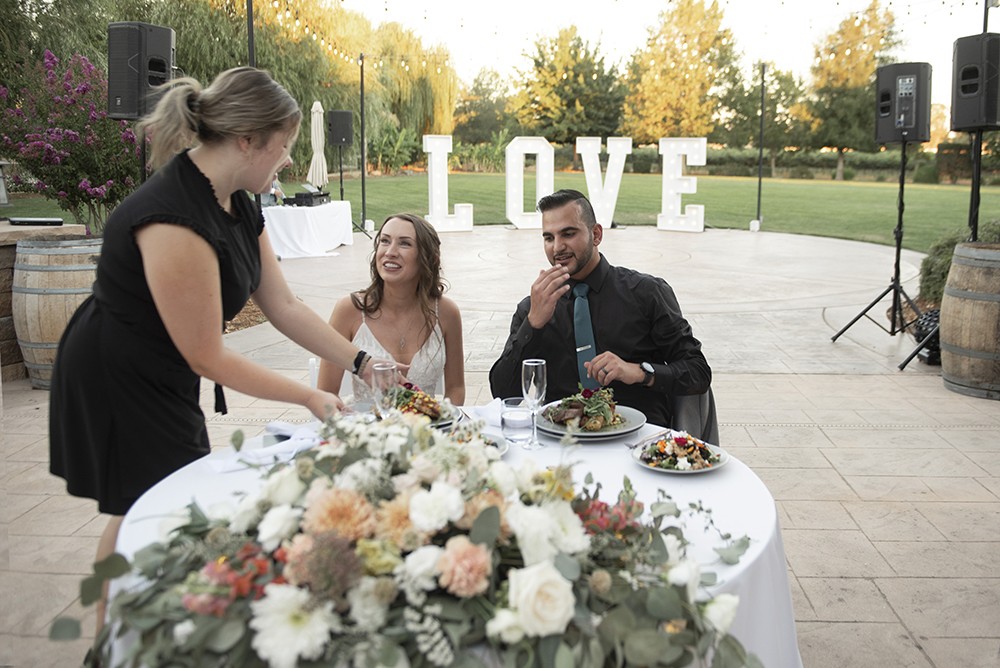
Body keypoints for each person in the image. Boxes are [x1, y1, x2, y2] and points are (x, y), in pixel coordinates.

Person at [48, 66, 394, 631]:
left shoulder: (239, 200)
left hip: (162, 366)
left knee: (153, 501)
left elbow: (282, 305)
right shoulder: (174, 218)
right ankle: (114, 638)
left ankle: (123, 630)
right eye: (282, 148)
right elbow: (207, 356)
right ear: (247, 140)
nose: (286, 161)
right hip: (118, 371)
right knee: (144, 506)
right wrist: (310, 397)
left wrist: (359, 360)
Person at [489, 189, 711, 430]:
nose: (557, 248)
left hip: (638, 442)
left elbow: (698, 372)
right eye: (549, 238)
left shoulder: (646, 293)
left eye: (568, 233)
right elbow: (503, 394)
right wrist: (532, 324)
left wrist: (639, 372)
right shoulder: (532, 307)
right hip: (563, 442)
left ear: (596, 234)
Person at [317, 213, 465, 405]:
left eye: (404, 243)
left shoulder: (446, 313)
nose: (390, 252)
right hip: (364, 430)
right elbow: (326, 393)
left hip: (426, 429)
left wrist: (441, 422)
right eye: (385, 241)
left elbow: (456, 389)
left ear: (429, 258)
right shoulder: (349, 310)